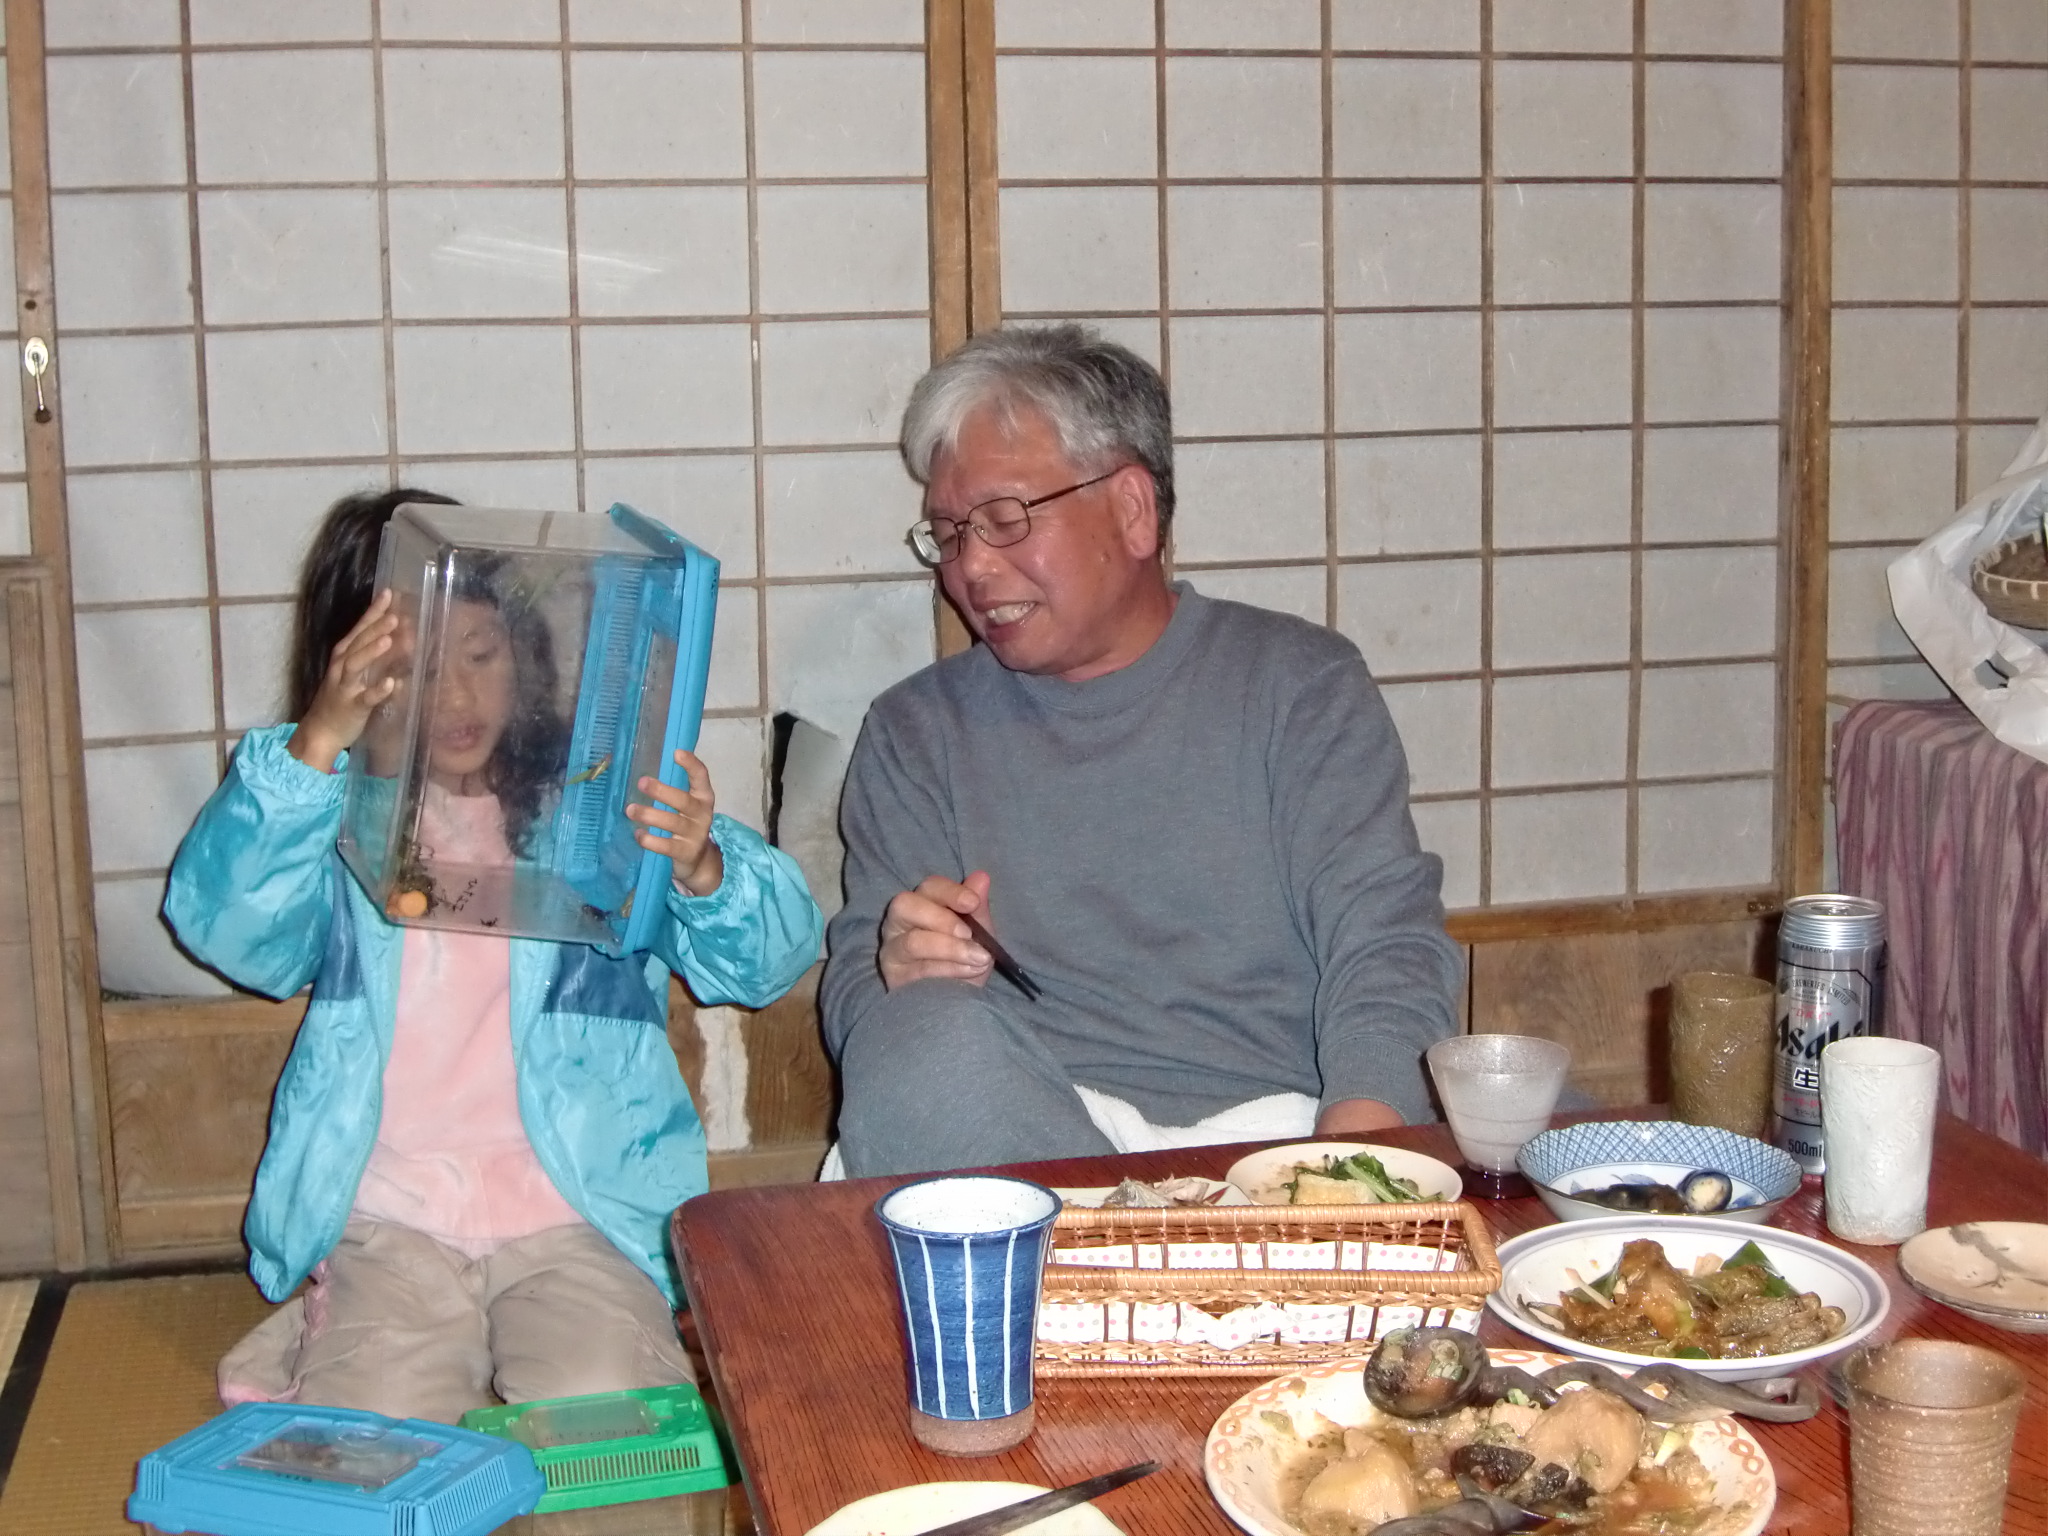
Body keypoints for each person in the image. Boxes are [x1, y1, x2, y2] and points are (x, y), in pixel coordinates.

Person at [165, 488, 823, 1423]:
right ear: (353, 679)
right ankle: (328, 1332)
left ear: (526, 650)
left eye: (482, 654)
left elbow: (767, 961)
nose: (458, 697)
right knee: (378, 1439)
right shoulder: (334, 822)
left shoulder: (591, 808)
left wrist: (703, 866)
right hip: (392, 1215)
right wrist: (311, 750)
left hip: (575, 1211)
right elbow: (230, 929)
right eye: (419, 668)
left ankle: (349, 1340)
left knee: (617, 1424)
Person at [820, 325, 1462, 1176]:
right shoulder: (917, 729)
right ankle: (1103, 1247)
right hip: (1034, 1142)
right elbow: (864, 1007)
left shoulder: (1298, 686)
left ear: (1131, 509)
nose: (970, 567)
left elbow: (1386, 942)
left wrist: (1347, 1168)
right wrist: (899, 970)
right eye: (949, 533)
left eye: (1004, 520)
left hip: (1281, 1135)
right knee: (921, 1041)